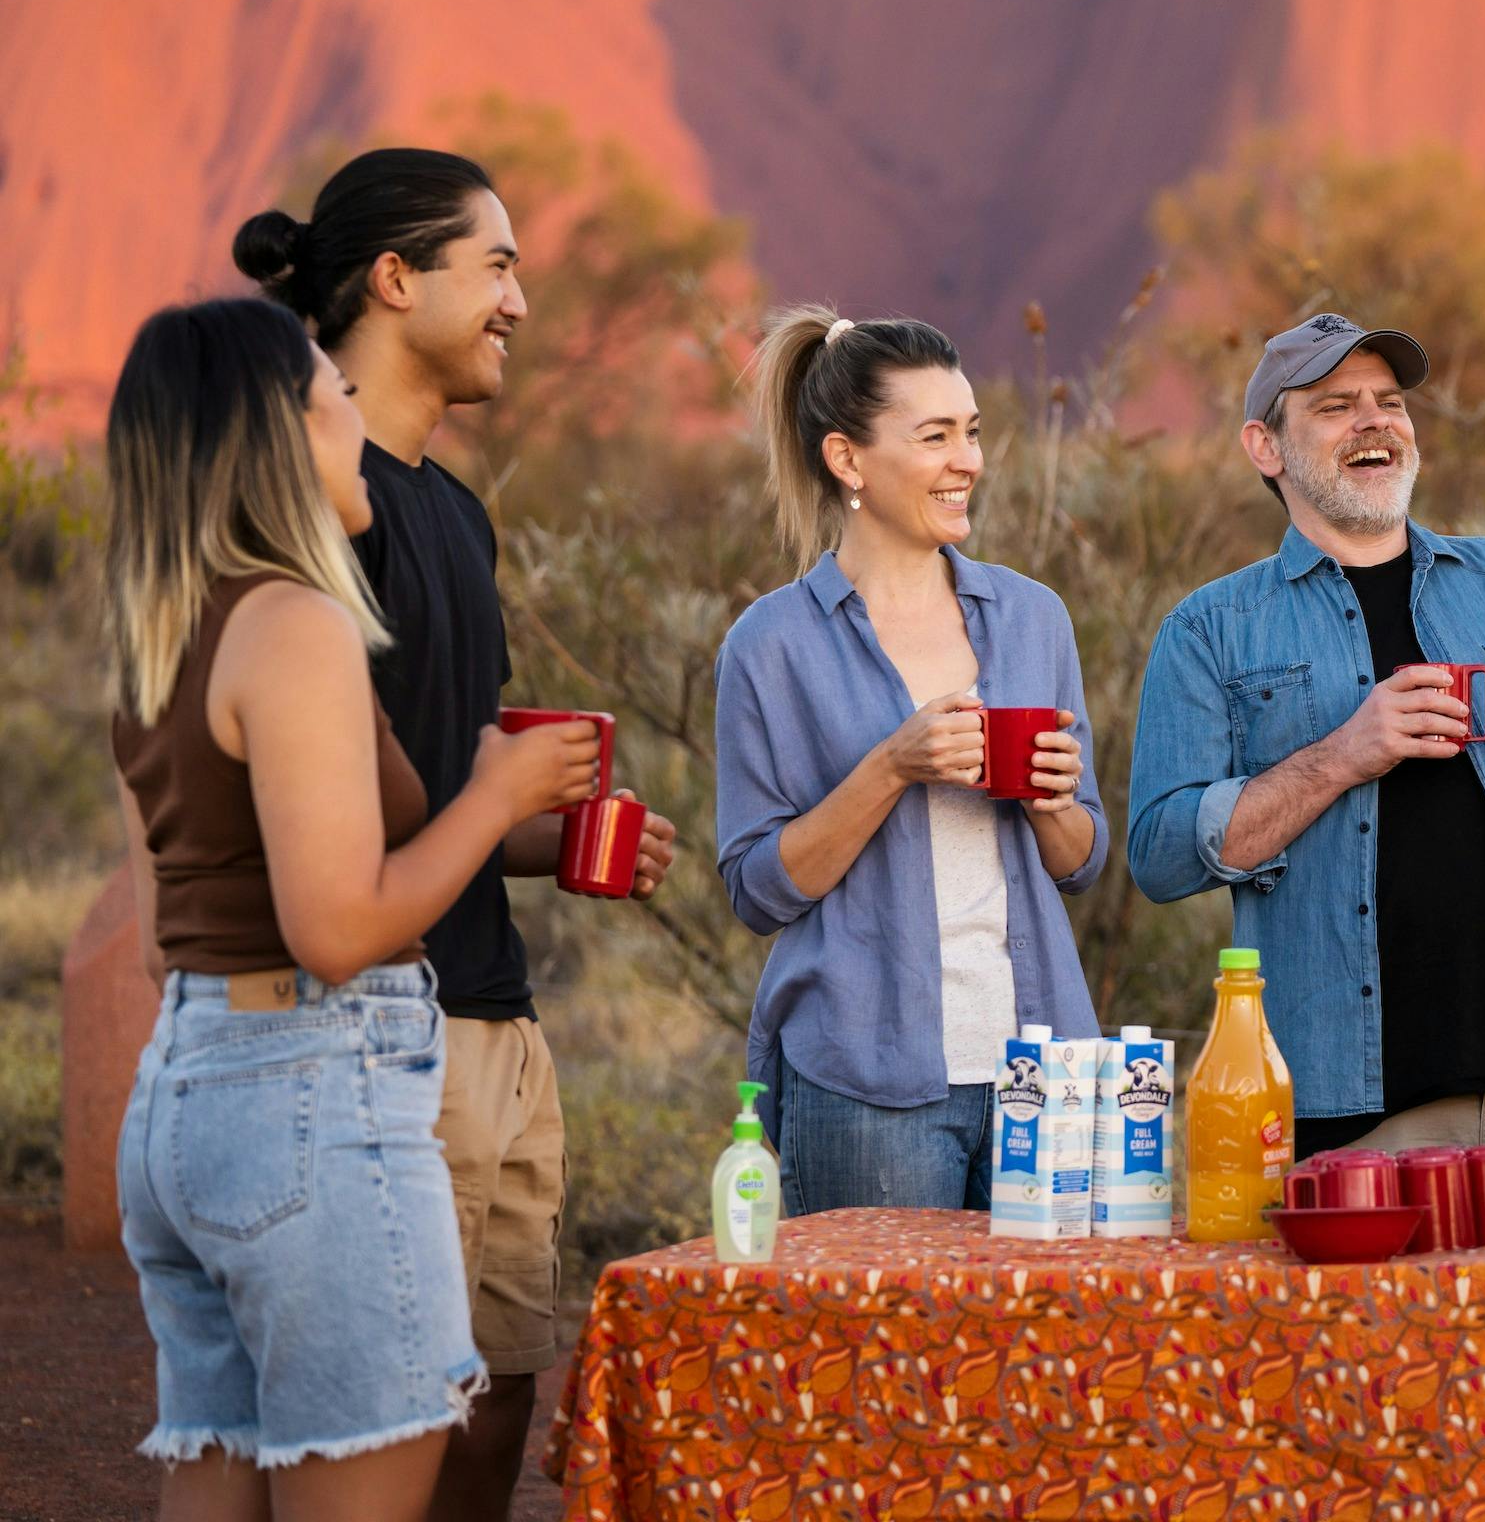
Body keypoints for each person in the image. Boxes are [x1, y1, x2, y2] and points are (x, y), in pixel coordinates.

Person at [105, 297, 604, 1522]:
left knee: (215, 1480)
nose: (354, 418)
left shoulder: (169, 625)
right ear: (284, 432)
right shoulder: (295, 622)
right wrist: (494, 796)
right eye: (334, 397)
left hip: (193, 1086)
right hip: (312, 1093)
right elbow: (336, 925)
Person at [232, 150, 676, 1520]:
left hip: (493, 1023)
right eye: (496, 266)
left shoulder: (453, 513)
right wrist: (495, 796)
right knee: (361, 1432)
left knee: (491, 1413)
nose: (520, 304)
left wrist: (557, 837)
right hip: (357, 1033)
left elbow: (431, 786)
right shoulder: (313, 501)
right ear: (393, 279)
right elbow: (297, 808)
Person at [1128, 313, 1485, 1156]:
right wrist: (1343, 755)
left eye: (1390, 402)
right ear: (1267, 447)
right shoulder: (1211, 630)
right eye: (1336, 407)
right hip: (1342, 1113)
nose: (1375, 421)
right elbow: (1158, 854)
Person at [714, 307, 1106, 1213]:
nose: (968, 459)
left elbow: (1082, 861)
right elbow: (757, 888)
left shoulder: (1031, 617)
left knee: (1054, 1354)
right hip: (865, 1083)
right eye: (935, 436)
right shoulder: (771, 644)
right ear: (848, 460)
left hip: (1041, 1075)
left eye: (971, 432)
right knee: (881, 1356)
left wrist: (1051, 803)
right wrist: (890, 765)